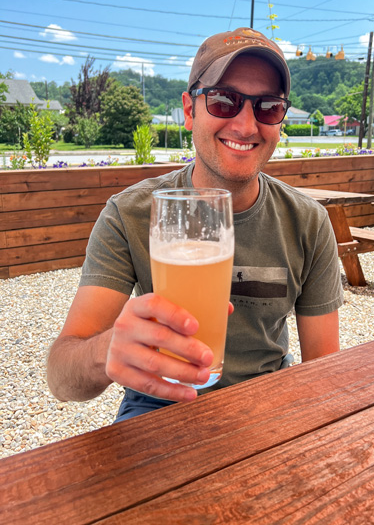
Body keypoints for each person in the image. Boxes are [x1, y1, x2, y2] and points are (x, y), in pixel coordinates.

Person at [47, 27, 343, 422]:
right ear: (190, 110)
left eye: (268, 106)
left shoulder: (307, 221)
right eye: (224, 101)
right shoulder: (130, 213)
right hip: (158, 400)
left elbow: (324, 372)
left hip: (266, 395)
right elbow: (61, 379)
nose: (246, 125)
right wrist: (105, 351)